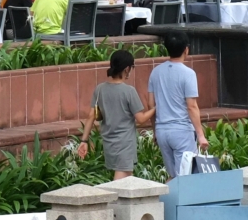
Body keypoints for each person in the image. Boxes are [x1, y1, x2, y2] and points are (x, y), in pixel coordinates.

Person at [78, 49, 152, 179]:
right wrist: (156, 108)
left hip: (109, 143)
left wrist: (84, 140)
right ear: (127, 69)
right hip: (125, 144)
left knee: (127, 179)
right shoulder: (129, 91)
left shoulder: (99, 89)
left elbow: (91, 116)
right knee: (120, 183)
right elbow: (141, 119)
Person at [147, 35, 205, 179]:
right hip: (182, 131)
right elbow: (191, 106)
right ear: (186, 50)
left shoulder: (156, 72)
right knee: (186, 177)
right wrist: (201, 135)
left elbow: (150, 104)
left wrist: (155, 131)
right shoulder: (188, 74)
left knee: (173, 177)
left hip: (162, 131)